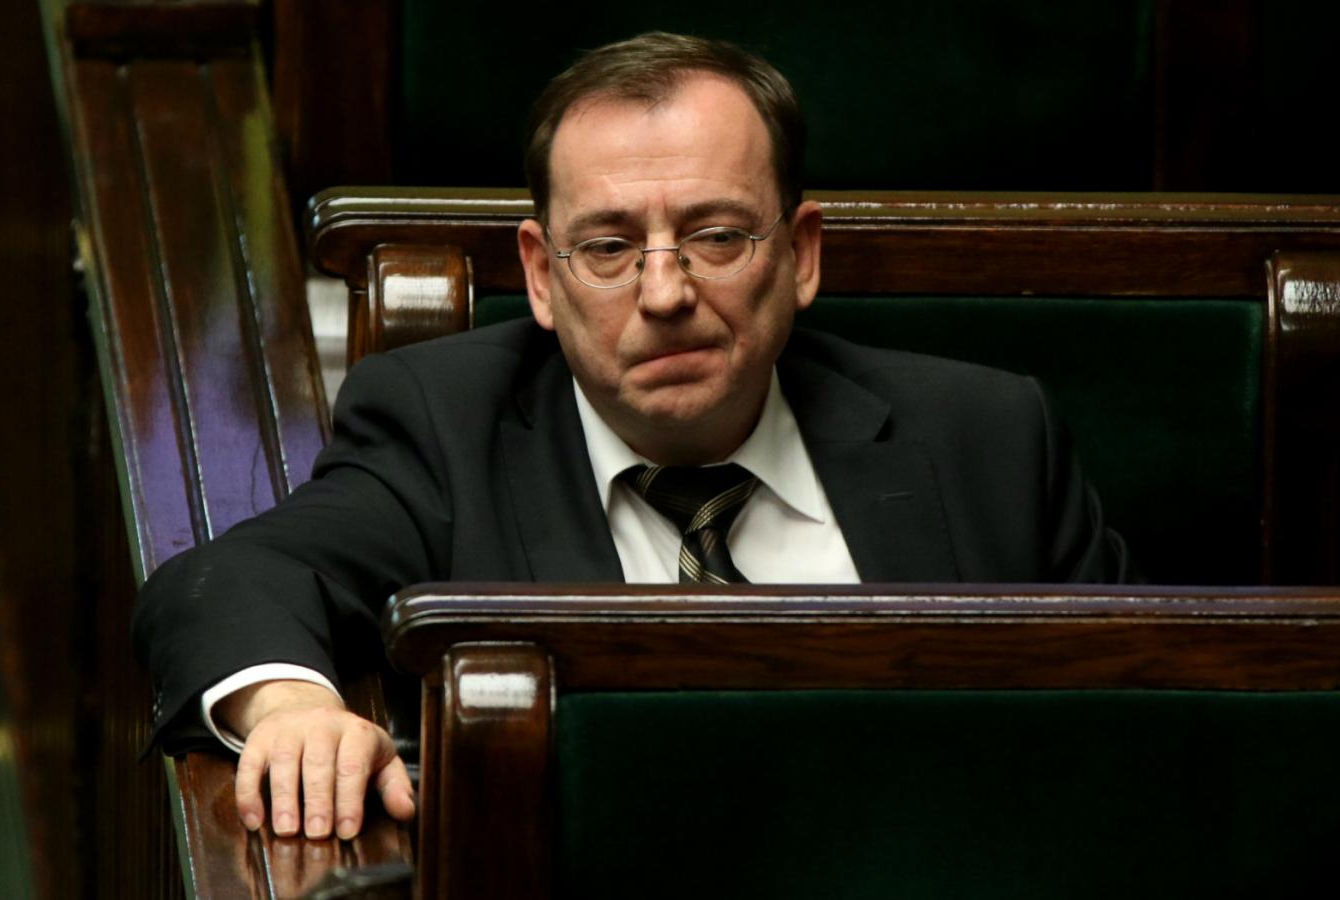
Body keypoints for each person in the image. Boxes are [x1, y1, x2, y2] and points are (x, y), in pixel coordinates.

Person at [134, 32, 1134, 844]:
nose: (663, 293)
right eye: (609, 247)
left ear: (800, 255)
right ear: (541, 276)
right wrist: (292, 712)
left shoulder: (984, 438)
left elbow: (1127, 733)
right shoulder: (447, 425)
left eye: (716, 236)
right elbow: (229, 579)